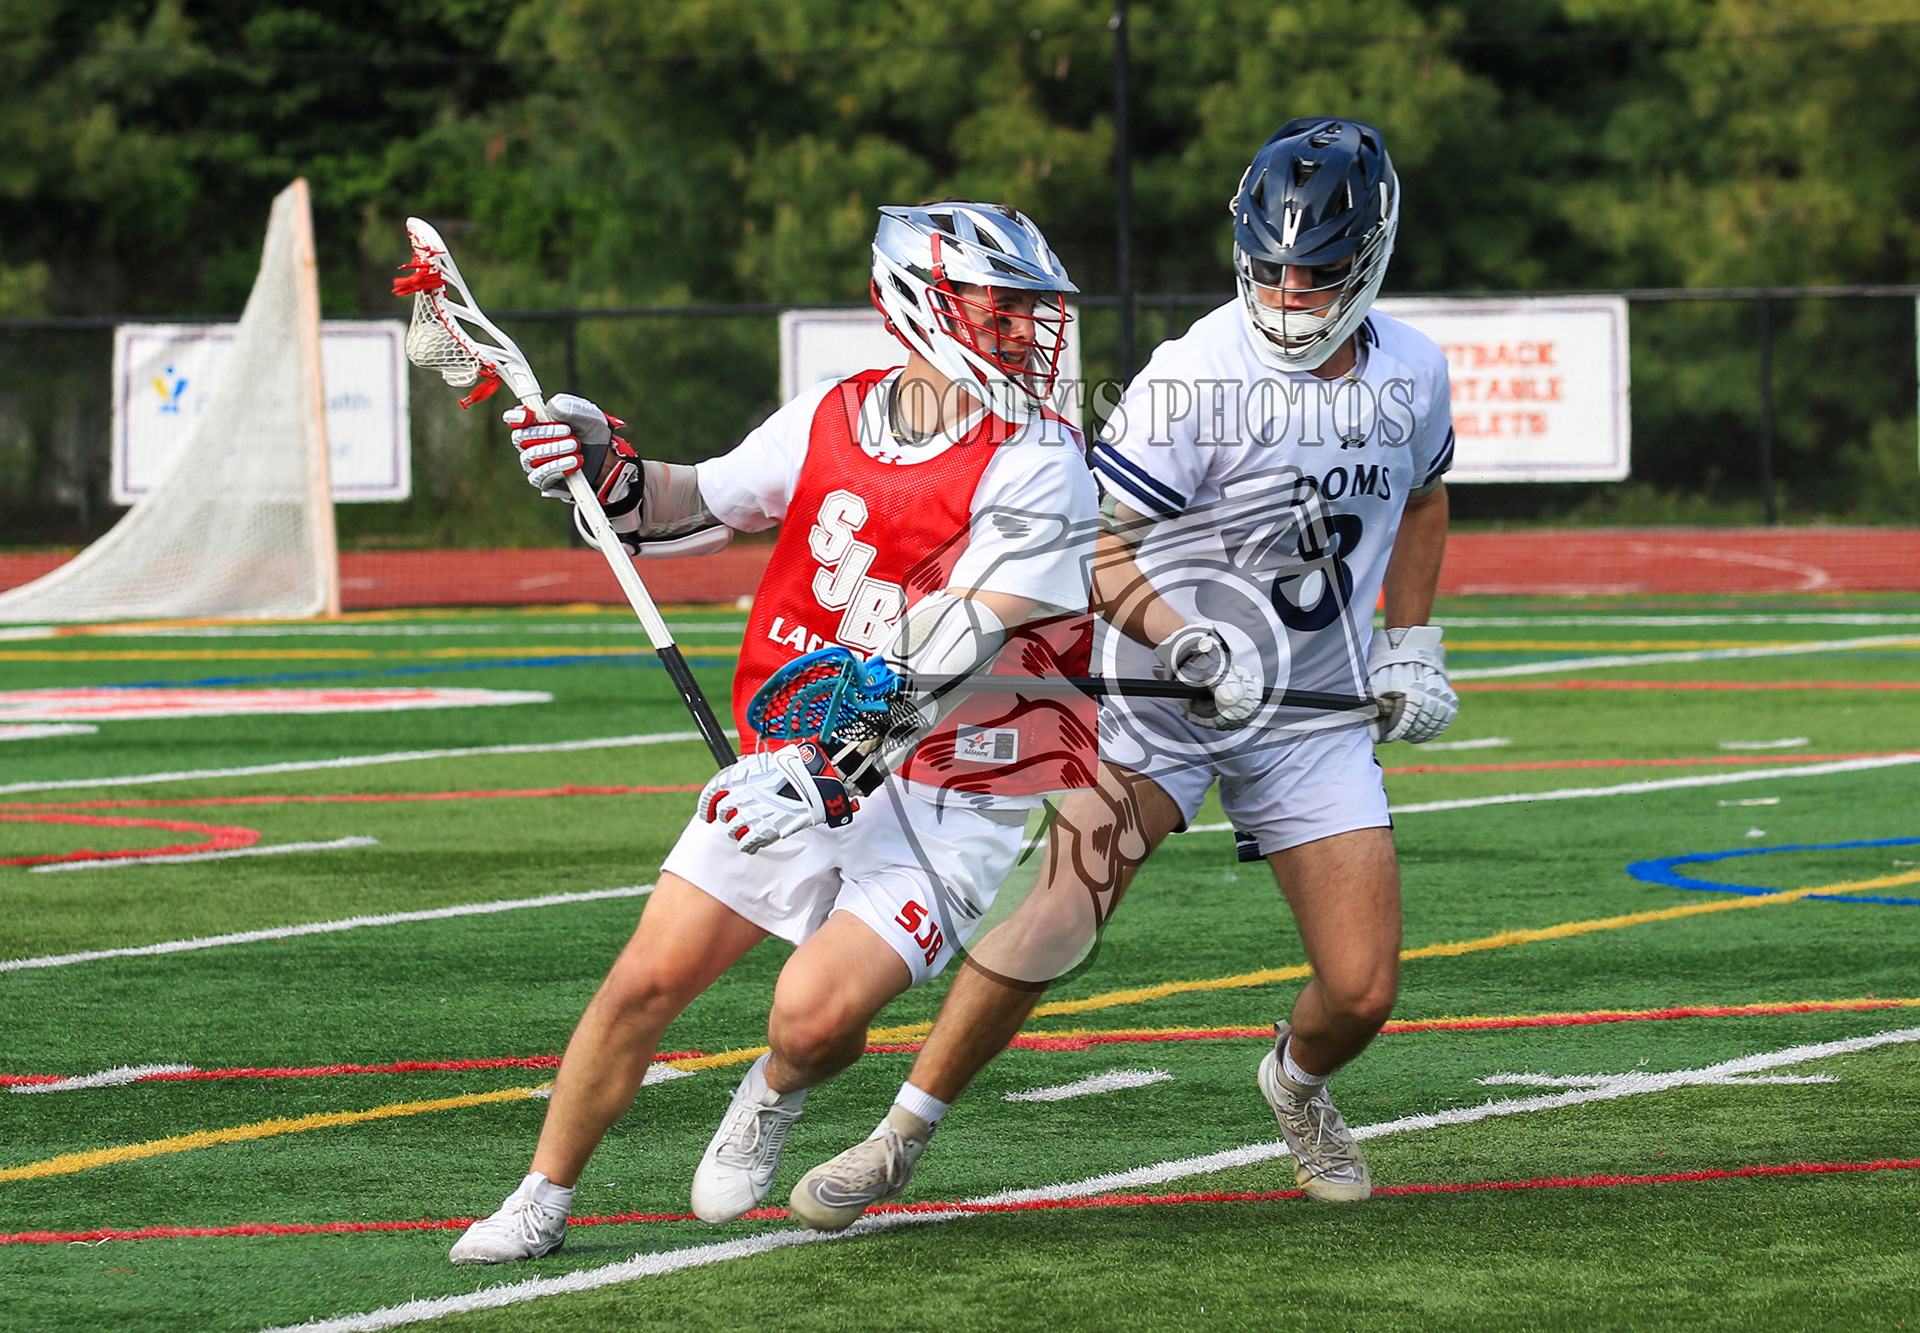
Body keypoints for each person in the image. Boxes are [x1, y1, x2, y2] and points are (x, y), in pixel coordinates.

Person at [786, 118, 1459, 1230]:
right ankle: (896, 1135)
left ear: (1373, 257)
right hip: (1162, 696)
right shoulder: (1195, 375)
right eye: (1272, 269)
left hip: (1309, 713)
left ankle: (1295, 1083)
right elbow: (1100, 546)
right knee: (1055, 915)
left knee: (1362, 989)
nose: (1290, 296)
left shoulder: (1414, 371)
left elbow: (1426, 497)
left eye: (1318, 274)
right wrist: (1188, 641)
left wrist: (1411, 642)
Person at [448, 201, 1097, 1263]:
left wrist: (833, 765)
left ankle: (775, 1087)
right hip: (796, 757)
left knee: (809, 1016)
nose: (1028, 332)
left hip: (948, 789)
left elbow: (966, 639)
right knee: (644, 980)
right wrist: (604, 467)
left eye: (1034, 311)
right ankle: (539, 1195)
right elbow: (689, 502)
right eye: (1002, 308)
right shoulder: (828, 415)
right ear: (919, 307)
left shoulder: (1044, 460)